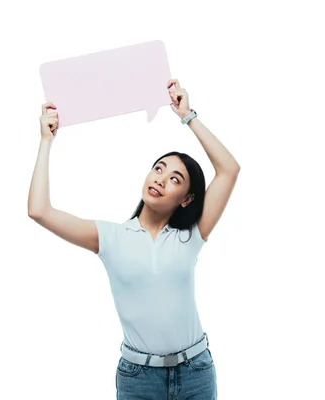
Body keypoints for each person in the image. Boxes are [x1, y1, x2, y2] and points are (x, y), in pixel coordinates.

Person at [28, 78, 240, 399]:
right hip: (139, 378)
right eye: (159, 168)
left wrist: (188, 116)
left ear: (186, 198)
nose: (161, 179)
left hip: (195, 371)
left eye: (175, 178)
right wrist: (46, 141)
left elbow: (229, 169)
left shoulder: (192, 234)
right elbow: (39, 210)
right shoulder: (110, 237)